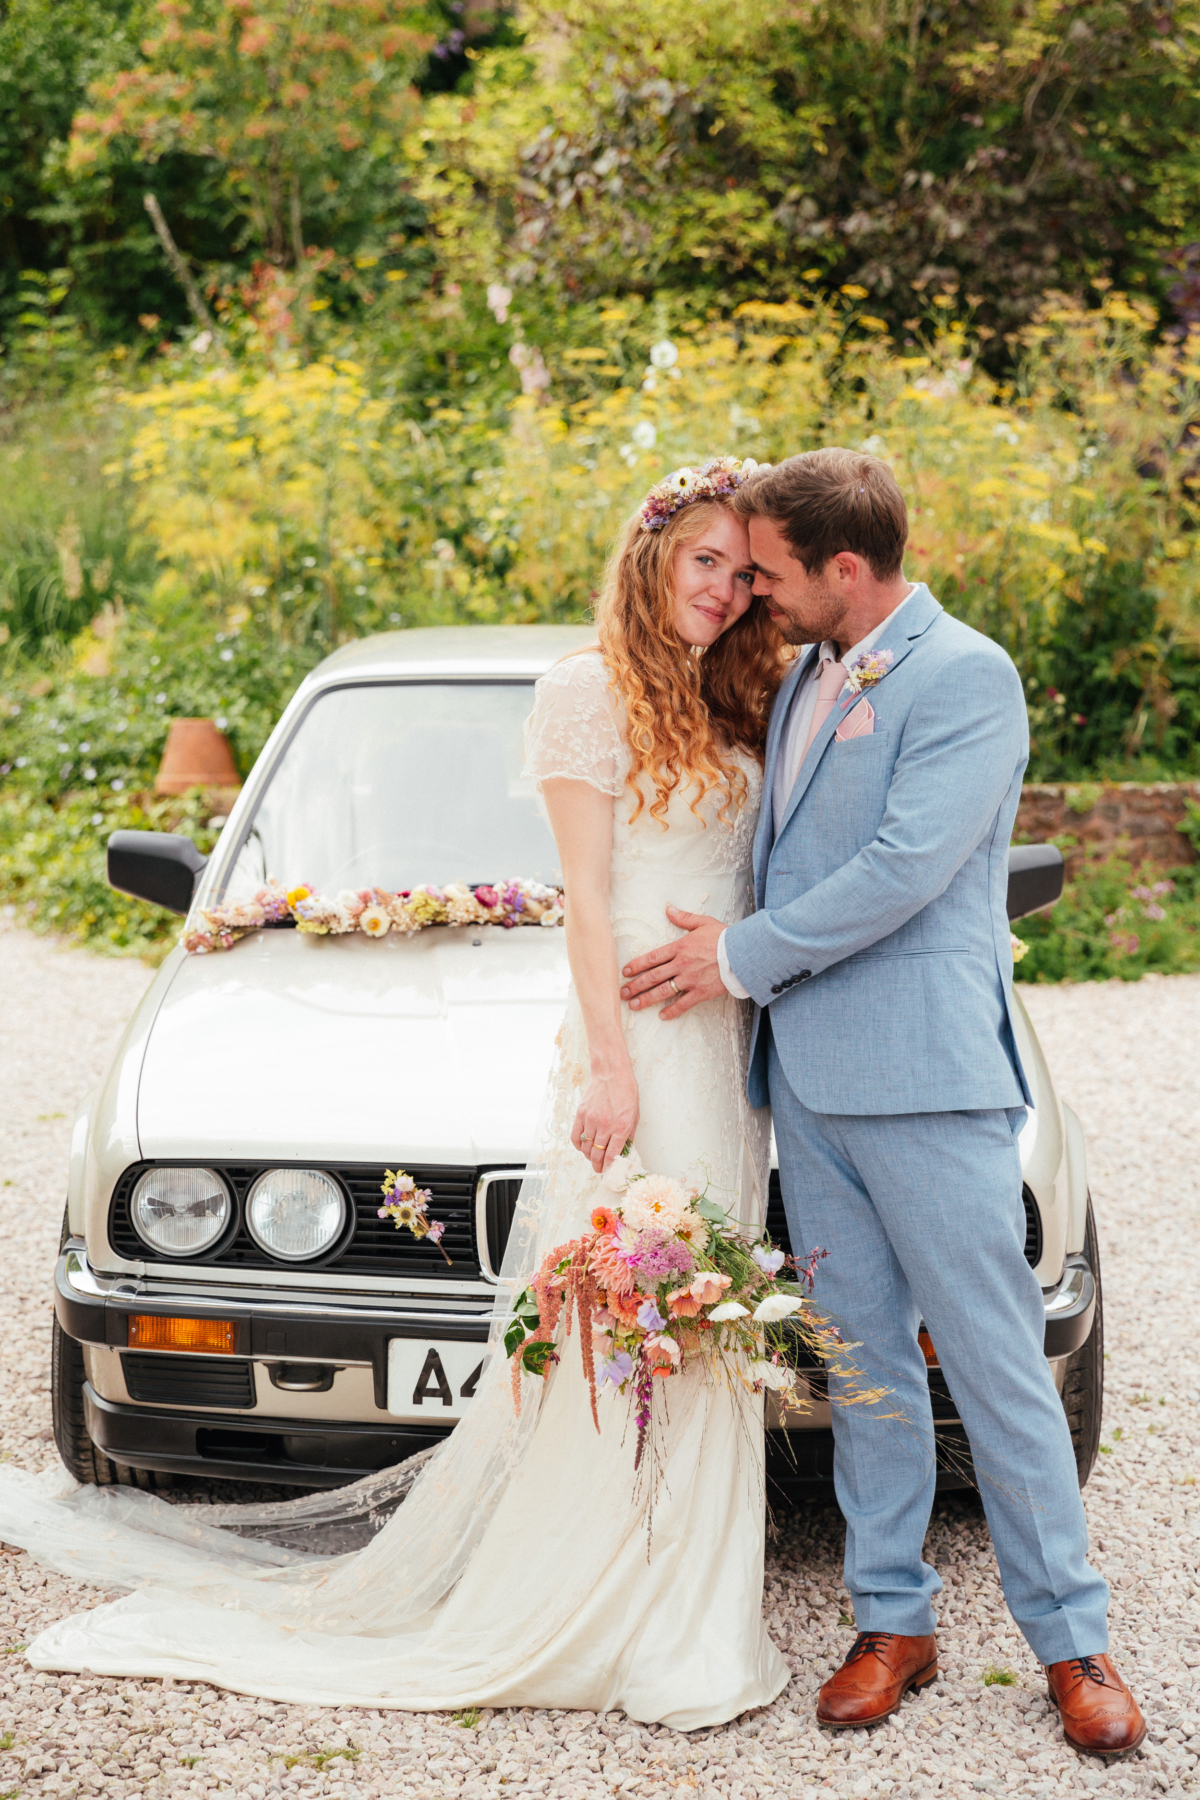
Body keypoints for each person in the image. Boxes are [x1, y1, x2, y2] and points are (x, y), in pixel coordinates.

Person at [0, 457, 793, 1728]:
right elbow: (589, 901)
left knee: (695, 1325)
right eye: (705, 559)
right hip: (638, 1043)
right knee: (628, 1318)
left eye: (744, 571)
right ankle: (603, 1600)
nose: (725, 587)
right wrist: (606, 1066)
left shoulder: (740, 691)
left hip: (722, 1042)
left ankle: (689, 1601)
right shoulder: (587, 693)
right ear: (650, 557)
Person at [618, 447, 1146, 1757]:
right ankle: (891, 1622)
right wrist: (724, 921)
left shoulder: (969, 676)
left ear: (844, 569)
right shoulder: (802, 676)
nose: (760, 594)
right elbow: (794, 852)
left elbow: (909, 864)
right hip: (805, 1085)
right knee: (860, 1368)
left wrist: (733, 956)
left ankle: (1073, 1643)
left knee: (994, 1364)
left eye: (777, 572)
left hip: (927, 1082)